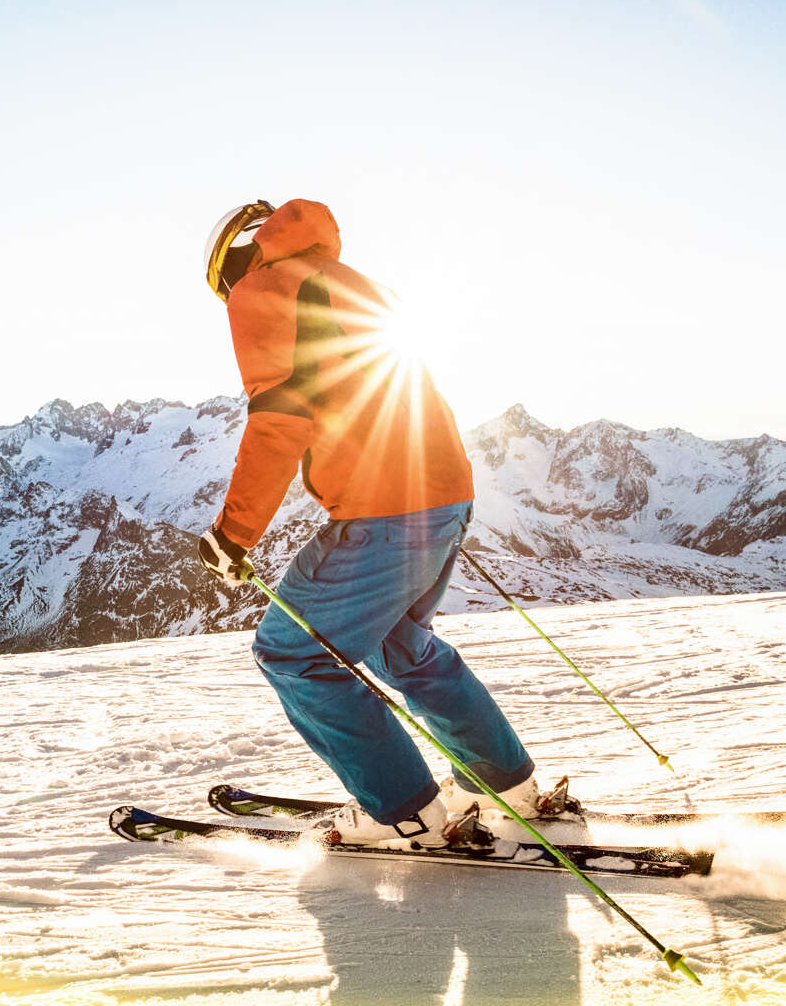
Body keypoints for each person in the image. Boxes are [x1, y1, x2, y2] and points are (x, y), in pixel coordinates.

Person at [197, 197, 548, 849]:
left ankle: (402, 810)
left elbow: (279, 420)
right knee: (402, 647)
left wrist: (233, 533)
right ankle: (503, 785)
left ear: (232, 262)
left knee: (290, 652)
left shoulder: (262, 289)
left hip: (387, 505)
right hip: (440, 489)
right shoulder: (351, 283)